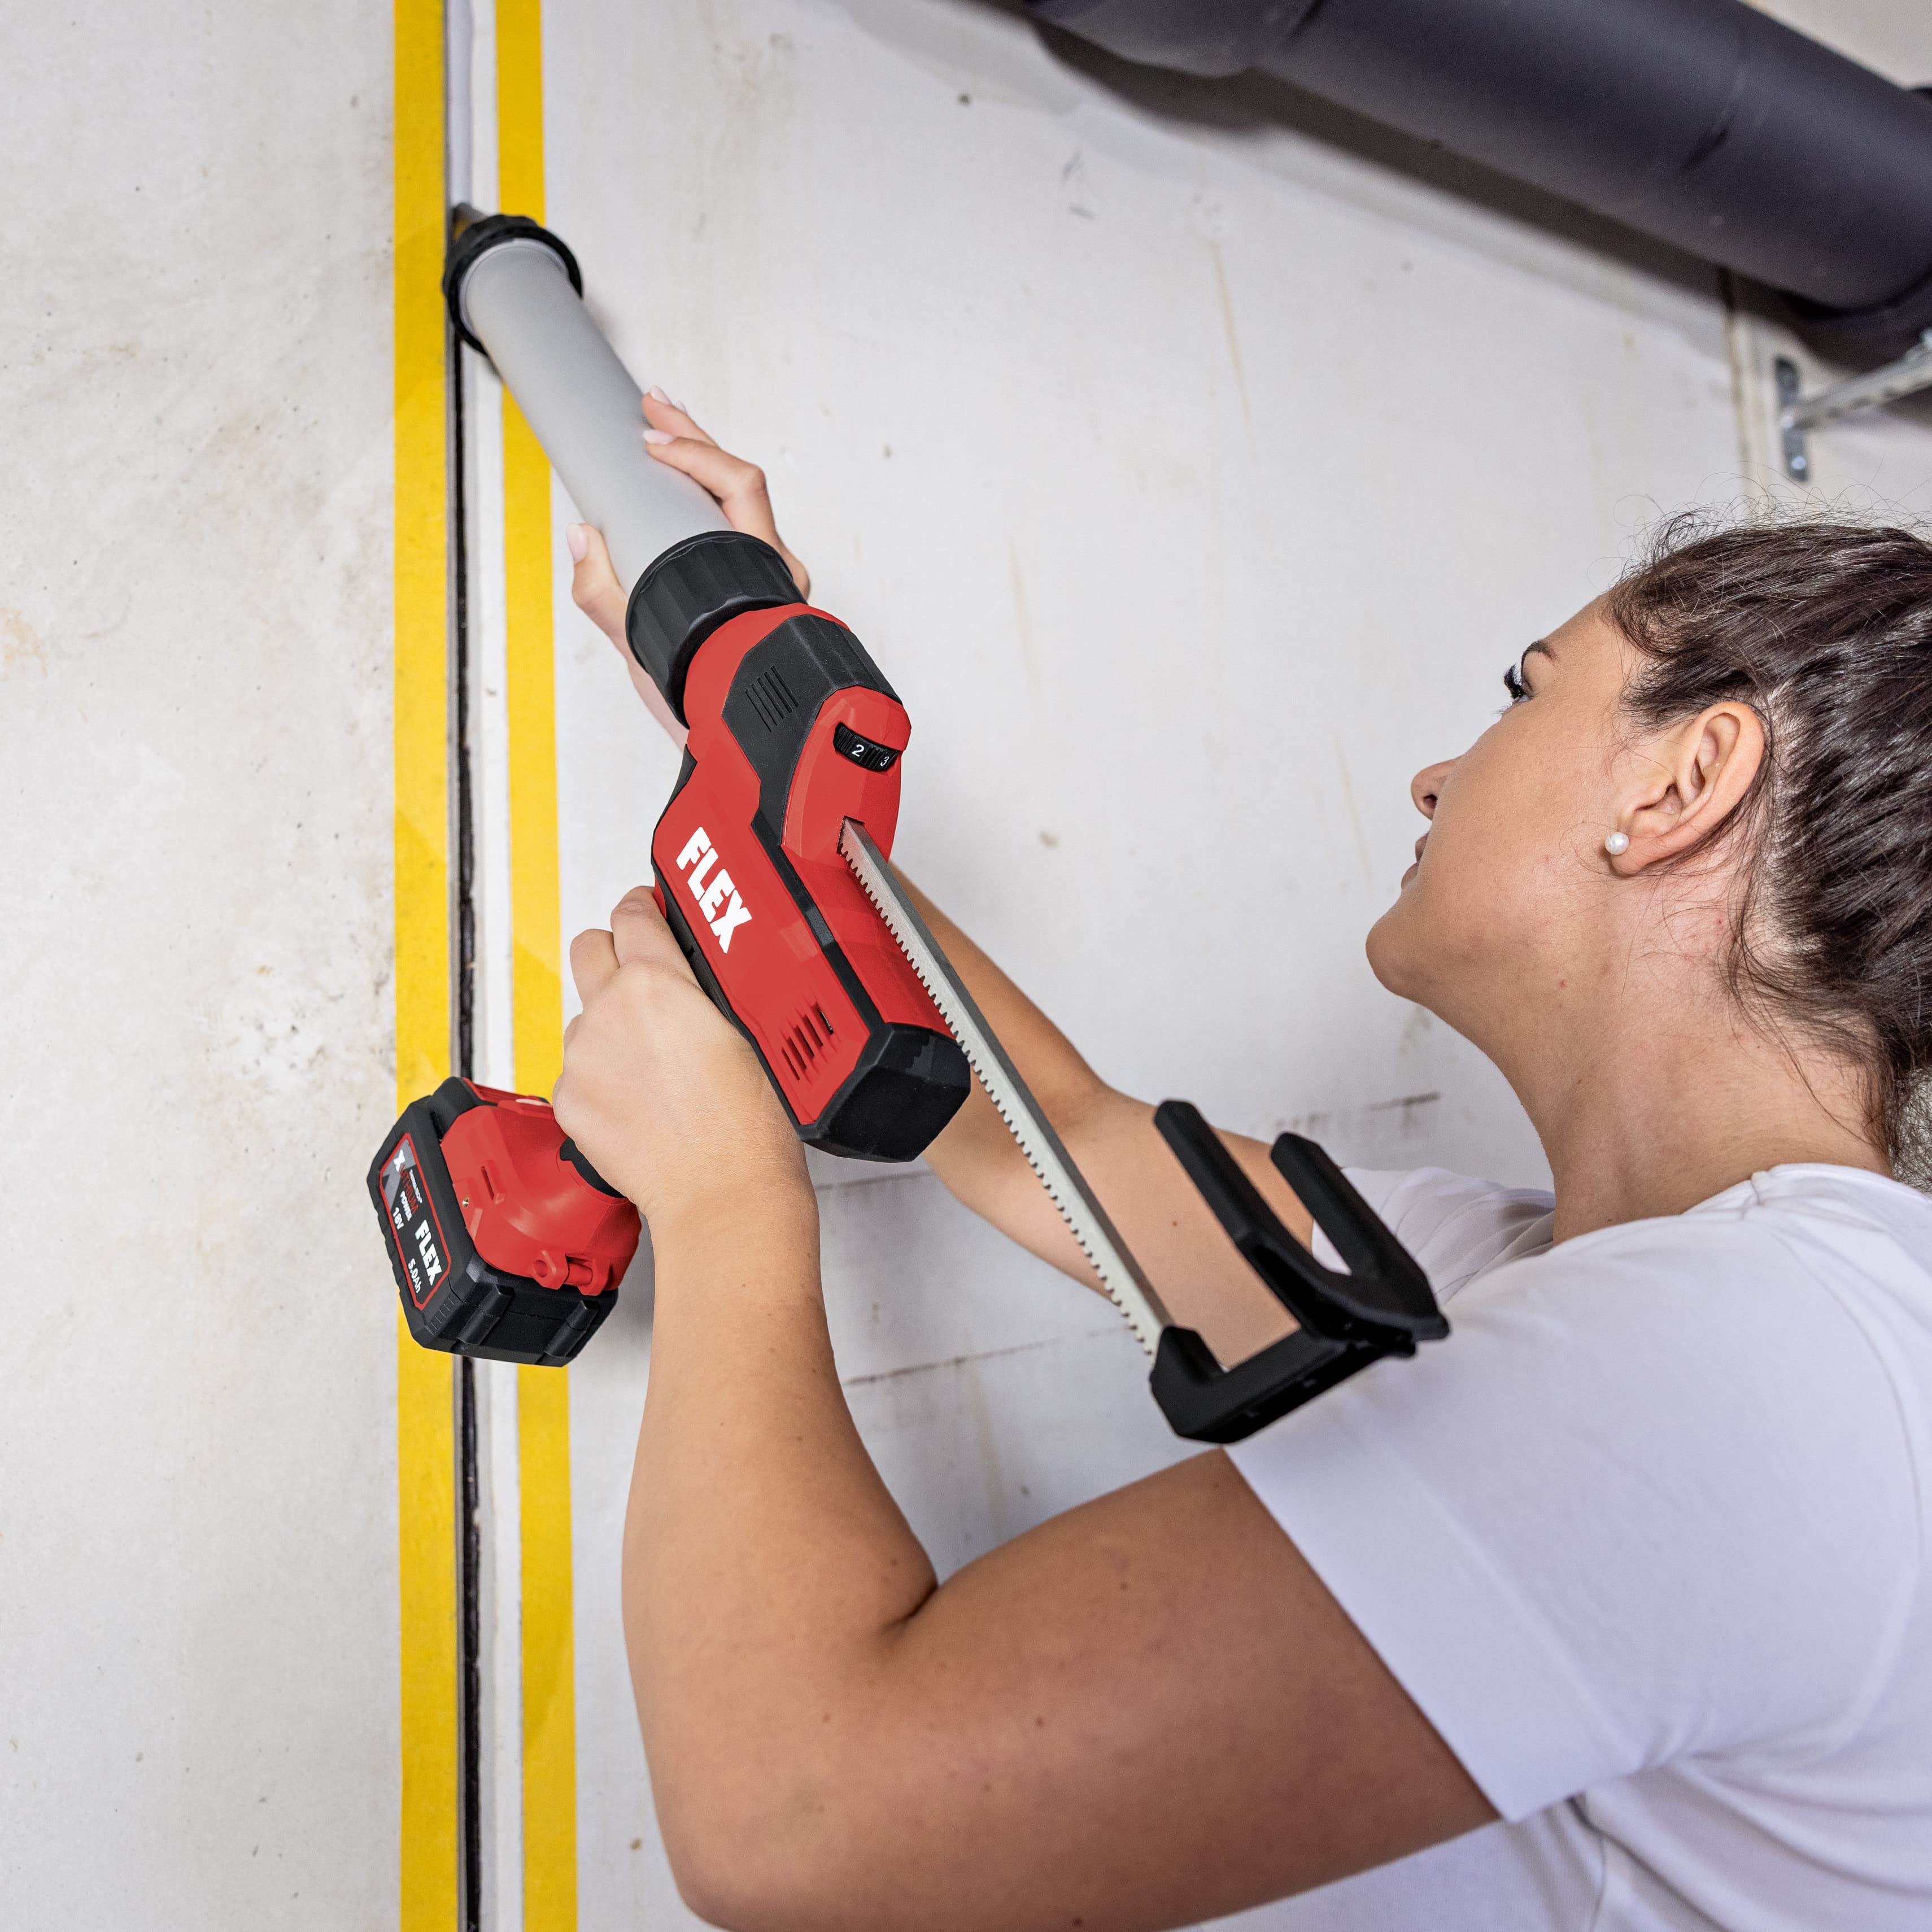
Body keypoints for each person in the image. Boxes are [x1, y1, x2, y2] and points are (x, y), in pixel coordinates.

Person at [552, 389, 1932, 1932]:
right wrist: (745, 726)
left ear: (1684, 786)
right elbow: (1049, 1137)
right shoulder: (1543, 1280)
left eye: (1522, 691)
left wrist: (724, 1199)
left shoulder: (1743, 1371)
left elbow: (796, 1815)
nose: (1435, 776)